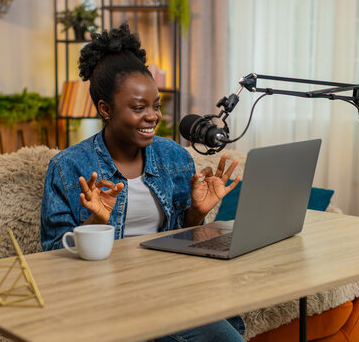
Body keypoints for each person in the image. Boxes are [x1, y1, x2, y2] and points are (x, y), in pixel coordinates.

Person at [40, 23, 244, 342]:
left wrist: (196, 214)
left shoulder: (174, 156)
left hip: (168, 288)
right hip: (105, 297)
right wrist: (95, 223)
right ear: (105, 109)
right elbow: (51, 257)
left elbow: (181, 242)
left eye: (156, 105)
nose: (152, 116)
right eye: (138, 108)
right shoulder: (69, 167)